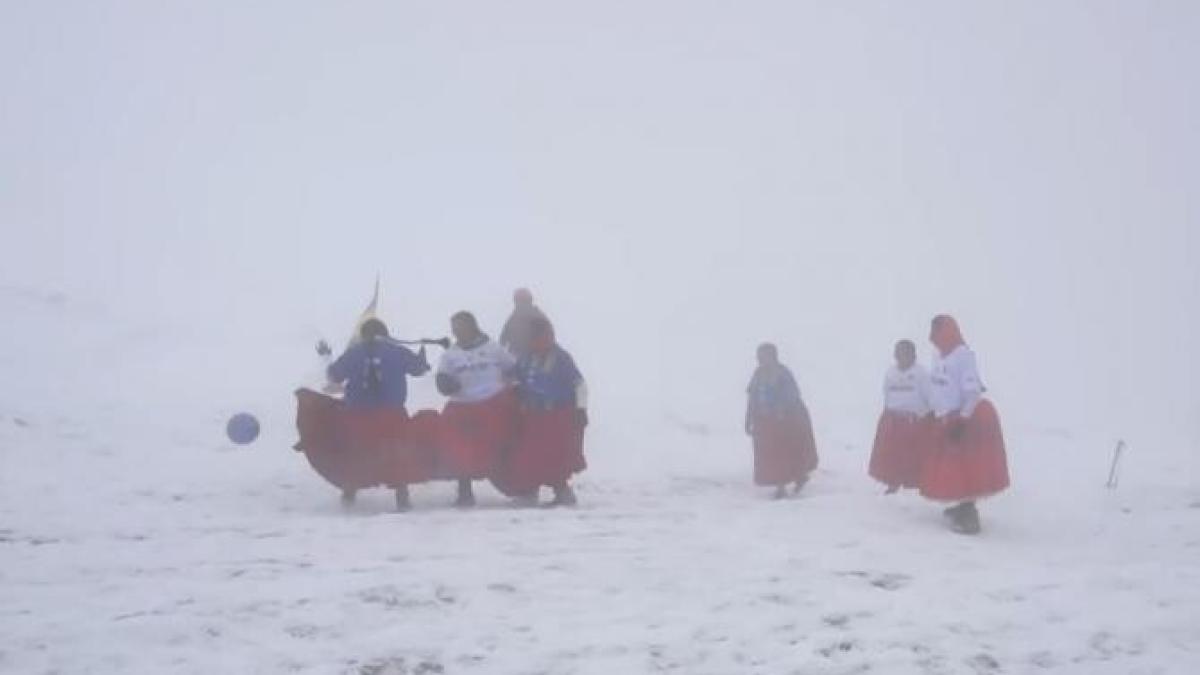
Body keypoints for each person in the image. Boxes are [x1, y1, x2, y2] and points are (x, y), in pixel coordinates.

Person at [324, 318, 432, 510]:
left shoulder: (353, 354)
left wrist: (328, 359)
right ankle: (402, 497)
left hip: (358, 416)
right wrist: (422, 358)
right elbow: (419, 369)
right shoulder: (398, 352)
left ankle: (349, 495)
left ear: (363, 335)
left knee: (357, 454)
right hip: (392, 416)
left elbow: (334, 375)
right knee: (397, 455)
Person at [920, 315, 1010, 534]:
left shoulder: (963, 356)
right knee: (953, 469)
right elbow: (938, 386)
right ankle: (960, 506)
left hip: (963, 419)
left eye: (938, 330)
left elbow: (972, 390)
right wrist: (933, 410)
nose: (933, 336)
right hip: (945, 417)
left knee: (967, 467)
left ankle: (969, 516)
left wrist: (963, 418)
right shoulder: (938, 355)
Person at [502, 317, 589, 507]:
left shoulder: (562, 358)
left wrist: (581, 410)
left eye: (542, 335)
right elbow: (513, 376)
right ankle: (529, 492)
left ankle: (562, 492)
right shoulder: (526, 358)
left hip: (557, 415)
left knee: (555, 456)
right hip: (533, 416)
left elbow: (579, 385)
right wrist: (515, 387)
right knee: (530, 454)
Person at [436, 311, 519, 507]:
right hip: (462, 407)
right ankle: (465, 492)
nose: (456, 332)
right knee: (459, 448)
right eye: (454, 328)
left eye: (460, 327)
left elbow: (513, 369)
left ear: (472, 326)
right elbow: (442, 376)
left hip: (492, 404)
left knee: (501, 446)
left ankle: (519, 485)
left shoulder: (493, 349)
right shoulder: (450, 355)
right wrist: (445, 384)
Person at [745, 343, 819, 499]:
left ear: (773, 356)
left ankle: (783, 485)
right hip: (765, 422)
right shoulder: (758, 374)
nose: (760, 359)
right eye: (759, 356)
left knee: (782, 454)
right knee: (770, 456)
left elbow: (792, 395)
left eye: (764, 356)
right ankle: (794, 479)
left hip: (783, 421)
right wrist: (749, 418)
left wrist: (781, 411)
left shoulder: (782, 373)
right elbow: (752, 397)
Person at [868, 339, 935, 494]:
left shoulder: (921, 373)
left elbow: (930, 397)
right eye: (898, 353)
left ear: (913, 355)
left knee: (914, 456)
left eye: (905, 353)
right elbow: (886, 393)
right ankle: (893, 482)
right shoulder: (891, 373)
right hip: (894, 420)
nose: (901, 357)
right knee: (892, 456)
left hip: (914, 422)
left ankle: (918, 481)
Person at [499, 288, 550, 359]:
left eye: (519, 301)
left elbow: (503, 339)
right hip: (518, 356)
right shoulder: (514, 317)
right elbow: (503, 338)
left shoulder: (536, 316)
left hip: (531, 357)